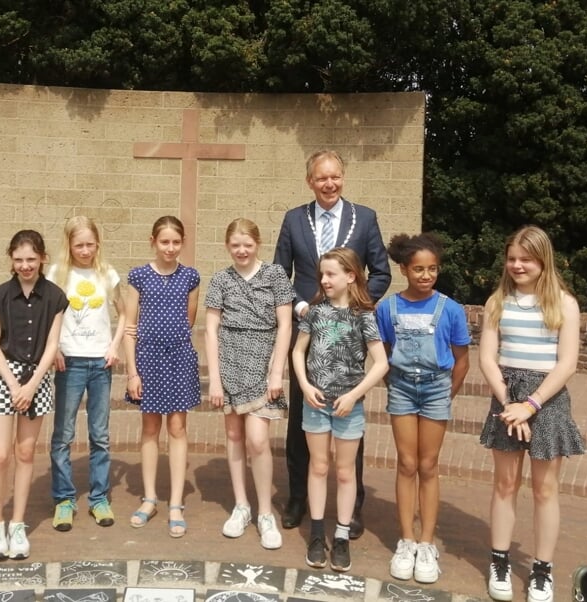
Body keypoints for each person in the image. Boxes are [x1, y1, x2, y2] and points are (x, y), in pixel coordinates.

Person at [274, 149, 392, 537]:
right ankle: (297, 498)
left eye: (335, 177)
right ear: (310, 181)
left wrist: (355, 306)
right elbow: (280, 274)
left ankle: (351, 506)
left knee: (347, 422)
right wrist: (303, 306)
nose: (329, 184)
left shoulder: (366, 218)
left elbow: (381, 272)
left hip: (350, 337)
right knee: (301, 421)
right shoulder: (294, 219)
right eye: (321, 178)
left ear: (343, 177)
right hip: (309, 329)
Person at [478, 226, 585, 602]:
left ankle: (542, 570)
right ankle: (500, 560)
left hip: (547, 401)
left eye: (525, 259)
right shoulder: (497, 302)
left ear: (543, 260)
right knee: (505, 485)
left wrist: (531, 404)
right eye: (512, 259)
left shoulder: (564, 304)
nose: (517, 266)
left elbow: (567, 363)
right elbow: (487, 358)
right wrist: (510, 402)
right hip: (507, 400)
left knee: (545, 490)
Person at [375, 233, 470, 585]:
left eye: (432, 269)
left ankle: (427, 543)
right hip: (401, 388)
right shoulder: (388, 308)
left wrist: (446, 394)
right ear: (404, 269)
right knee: (407, 463)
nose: (426, 275)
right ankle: (406, 540)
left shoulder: (451, 309)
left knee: (428, 465)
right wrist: (394, 383)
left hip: (435, 391)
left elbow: (462, 360)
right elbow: (383, 351)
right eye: (418, 269)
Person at [291, 247, 388, 573]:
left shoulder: (364, 314)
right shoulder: (315, 312)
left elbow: (381, 363)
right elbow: (298, 352)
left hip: (349, 407)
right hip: (316, 403)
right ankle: (317, 533)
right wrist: (305, 385)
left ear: (351, 276)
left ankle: (342, 535)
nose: (324, 279)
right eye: (322, 274)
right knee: (318, 467)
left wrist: (354, 394)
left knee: (345, 472)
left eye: (331, 274)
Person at [204, 218, 295, 550]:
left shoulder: (275, 276)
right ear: (227, 246)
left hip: (263, 363)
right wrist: (214, 378)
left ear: (258, 244)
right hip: (229, 364)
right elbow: (211, 329)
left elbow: (285, 325)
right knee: (234, 435)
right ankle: (241, 506)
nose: (241, 251)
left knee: (258, 441)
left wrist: (276, 371)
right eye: (235, 245)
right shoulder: (220, 280)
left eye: (248, 244)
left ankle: (265, 512)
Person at [0, 230, 67, 560]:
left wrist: (31, 385)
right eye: (18, 259)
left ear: (42, 258)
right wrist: (14, 385)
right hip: (3, 376)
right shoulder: (0, 296)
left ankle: (18, 524)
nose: (25, 265)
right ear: (11, 260)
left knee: (26, 452)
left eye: (31, 259)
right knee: (1, 454)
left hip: (37, 378)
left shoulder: (55, 297)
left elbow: (52, 345)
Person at [123, 216, 201, 539]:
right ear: (153, 241)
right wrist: (132, 371)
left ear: (182, 243)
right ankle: (150, 497)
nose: (170, 248)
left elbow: (189, 320)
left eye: (176, 242)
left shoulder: (191, 277)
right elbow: (130, 326)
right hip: (148, 360)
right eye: (164, 241)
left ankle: (176, 503)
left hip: (179, 358)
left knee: (178, 428)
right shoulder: (138, 276)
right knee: (151, 428)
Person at [46, 216, 125, 531]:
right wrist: (54, 348)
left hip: (100, 362)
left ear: (98, 244)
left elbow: (124, 312)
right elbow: (48, 315)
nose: (85, 250)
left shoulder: (107, 273)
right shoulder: (57, 274)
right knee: (64, 434)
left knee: (100, 435)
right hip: (70, 362)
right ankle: (64, 499)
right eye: (79, 244)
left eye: (90, 244)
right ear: (69, 245)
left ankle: (99, 498)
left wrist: (115, 345)